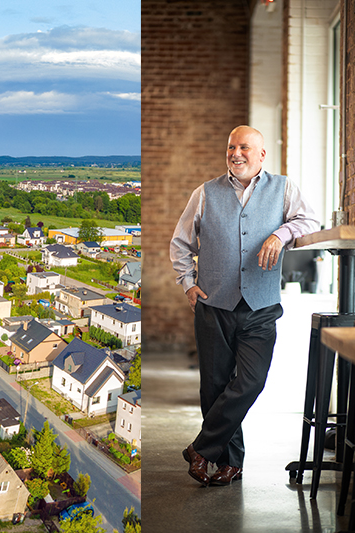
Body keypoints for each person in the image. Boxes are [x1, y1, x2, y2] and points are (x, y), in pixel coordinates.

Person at [170, 125, 320, 486]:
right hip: (213, 305)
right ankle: (229, 463)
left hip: (261, 305)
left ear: (261, 155)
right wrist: (188, 285)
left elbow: (310, 220)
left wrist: (280, 233)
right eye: (231, 147)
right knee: (215, 387)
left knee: (251, 381)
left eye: (245, 148)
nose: (236, 153)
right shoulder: (205, 193)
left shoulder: (283, 188)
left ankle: (201, 448)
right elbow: (180, 243)